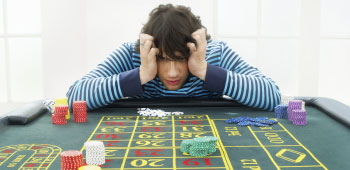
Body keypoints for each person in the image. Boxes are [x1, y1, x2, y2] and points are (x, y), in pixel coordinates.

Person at [66, 4, 281, 111]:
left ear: (196, 49)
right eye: (162, 59)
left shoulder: (214, 54)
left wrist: (203, 70)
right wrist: (140, 75)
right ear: (149, 49)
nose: (172, 72)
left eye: (180, 59)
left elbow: (272, 96)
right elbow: (75, 96)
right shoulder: (134, 54)